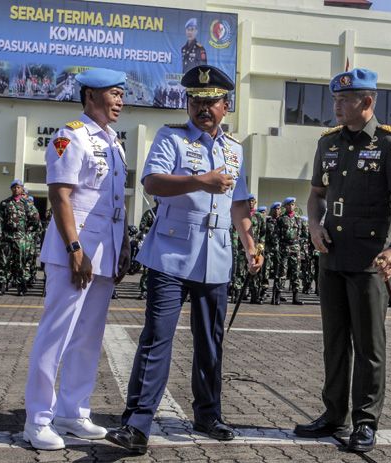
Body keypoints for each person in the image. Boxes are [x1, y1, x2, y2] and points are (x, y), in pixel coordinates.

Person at [106, 65, 262, 454]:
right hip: (171, 255)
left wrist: (249, 243)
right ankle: (137, 424)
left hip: (216, 258)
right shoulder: (171, 138)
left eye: (210, 102)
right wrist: (199, 181)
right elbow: (152, 182)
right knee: (157, 339)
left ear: (227, 106)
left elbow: (239, 202)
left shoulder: (235, 149)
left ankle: (208, 414)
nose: (202, 108)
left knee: (211, 342)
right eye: (195, 101)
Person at [295, 68, 391, 454]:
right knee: (334, 343)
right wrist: (314, 225)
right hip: (331, 257)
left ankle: (365, 422)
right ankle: (333, 415)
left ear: (367, 102)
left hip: (369, 261)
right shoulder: (327, 142)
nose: (337, 106)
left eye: (344, 100)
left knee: (369, 347)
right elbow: (316, 194)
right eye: (335, 99)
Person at [23, 68, 130, 450]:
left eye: (121, 94)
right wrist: (74, 250)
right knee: (57, 334)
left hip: (104, 252)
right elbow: (60, 195)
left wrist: (123, 247)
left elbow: (116, 204)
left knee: (88, 337)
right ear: (90, 95)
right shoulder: (71, 136)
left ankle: (72, 410)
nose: (120, 101)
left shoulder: (114, 142)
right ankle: (37, 418)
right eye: (114, 93)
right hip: (76, 252)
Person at [0, 179, 40, 296]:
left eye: (18, 187)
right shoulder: (4, 203)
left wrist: (27, 231)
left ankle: (21, 286)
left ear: (22, 189)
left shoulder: (27, 203)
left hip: (20, 237)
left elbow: (35, 219)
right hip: (6, 237)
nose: (16, 189)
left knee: (20, 262)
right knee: (4, 262)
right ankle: (2, 286)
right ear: (11, 189)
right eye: (14, 187)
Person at [275, 197, 303, 305]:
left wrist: (299, 245)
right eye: (289, 205)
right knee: (282, 273)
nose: (291, 206)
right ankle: (277, 296)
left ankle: (295, 298)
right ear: (285, 206)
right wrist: (278, 249)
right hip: (284, 248)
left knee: (296, 273)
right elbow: (276, 235)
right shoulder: (281, 219)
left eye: (293, 204)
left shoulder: (298, 219)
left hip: (295, 249)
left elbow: (303, 235)